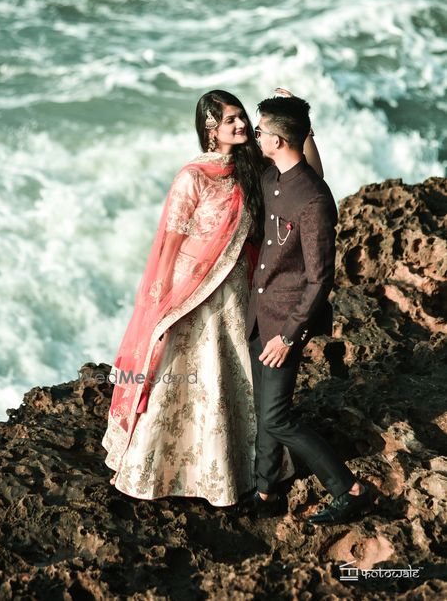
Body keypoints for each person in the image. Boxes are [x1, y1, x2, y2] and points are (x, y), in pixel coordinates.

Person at [102, 89, 323, 507]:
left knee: (232, 376)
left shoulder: (253, 168)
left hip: (239, 291)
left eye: (243, 117)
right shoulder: (192, 176)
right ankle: (164, 471)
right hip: (192, 295)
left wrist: (302, 124)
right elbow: (171, 240)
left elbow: (311, 175)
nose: (242, 125)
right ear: (210, 128)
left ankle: (234, 471)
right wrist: (160, 297)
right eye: (231, 120)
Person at [242, 94, 372, 523]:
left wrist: (288, 335)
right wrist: (295, 110)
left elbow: (321, 279)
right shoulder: (270, 175)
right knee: (266, 411)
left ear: (278, 140)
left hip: (285, 324)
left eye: (261, 131)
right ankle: (265, 493)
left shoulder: (313, 199)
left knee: (277, 418)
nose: (255, 134)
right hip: (260, 313)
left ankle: (349, 488)